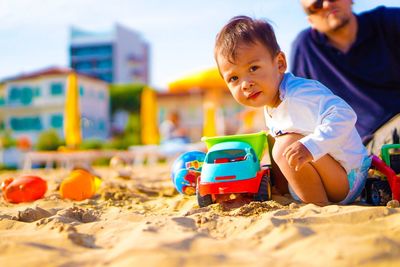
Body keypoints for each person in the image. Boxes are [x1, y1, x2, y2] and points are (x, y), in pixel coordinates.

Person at [214, 16, 370, 206]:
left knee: (283, 145)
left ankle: (318, 206)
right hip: (331, 172)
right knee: (273, 139)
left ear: (279, 64)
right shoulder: (271, 101)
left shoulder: (300, 95)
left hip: (348, 177)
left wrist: (311, 147)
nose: (246, 84)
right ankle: (281, 189)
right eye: (234, 78)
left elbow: (345, 114)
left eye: (253, 68)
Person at [291, 0, 400, 155]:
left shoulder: (387, 21)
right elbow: (297, 113)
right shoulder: (306, 49)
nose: (327, 5)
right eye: (317, 5)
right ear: (311, 21)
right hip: (364, 148)